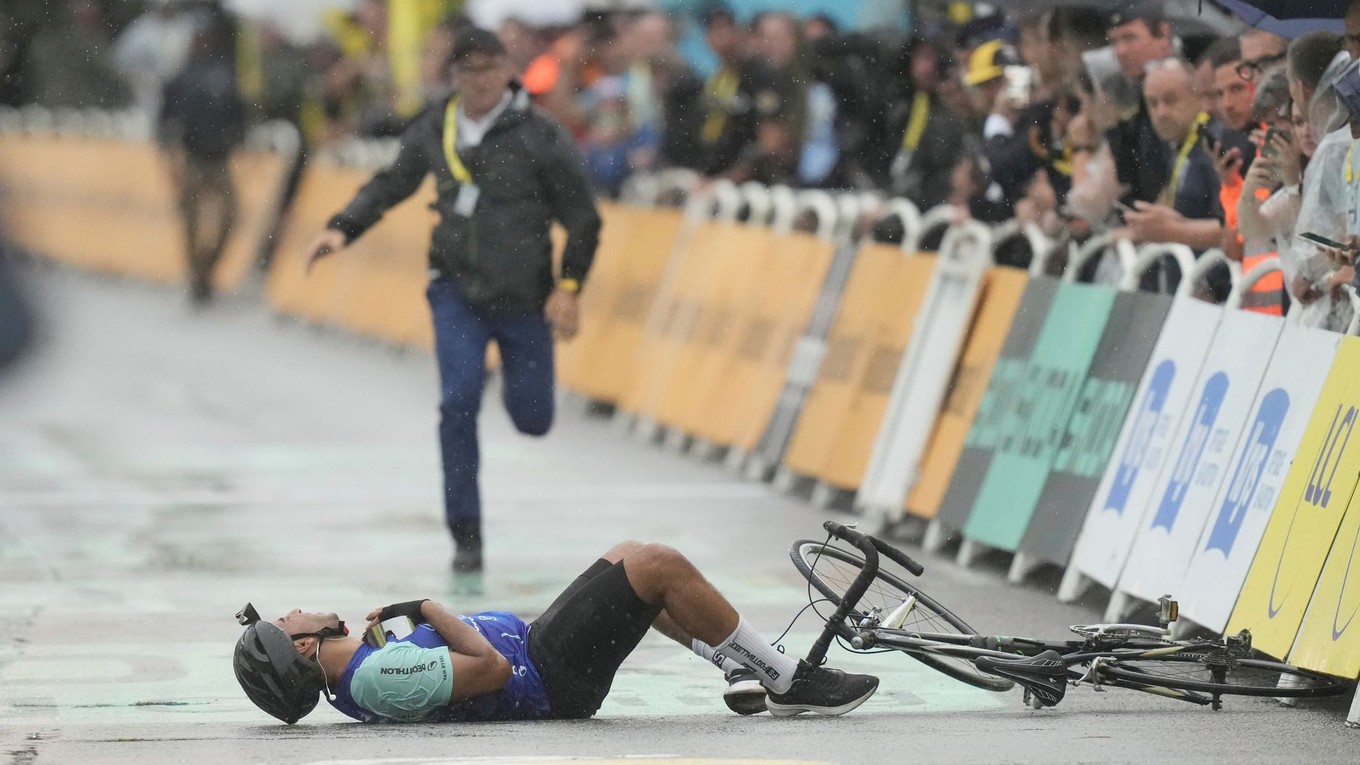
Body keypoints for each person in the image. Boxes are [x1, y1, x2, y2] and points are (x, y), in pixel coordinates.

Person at [303, 28, 602, 573]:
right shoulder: (435, 128)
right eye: (468, 70)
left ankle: (506, 375)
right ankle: (467, 534)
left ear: (509, 70)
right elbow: (392, 183)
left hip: (524, 297)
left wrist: (570, 286)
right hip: (455, 291)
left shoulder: (541, 136)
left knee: (533, 419)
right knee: (457, 402)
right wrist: (341, 229)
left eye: (489, 68)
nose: (479, 80)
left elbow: (583, 219)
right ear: (454, 75)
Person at [232, 540, 880, 724]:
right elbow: (485, 669)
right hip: (547, 674)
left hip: (539, 652)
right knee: (654, 565)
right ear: (305, 647)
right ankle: (788, 680)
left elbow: (413, 668)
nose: (292, 609)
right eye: (285, 621)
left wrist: (398, 620)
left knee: (630, 577)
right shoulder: (373, 678)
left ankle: (739, 666)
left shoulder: (362, 665)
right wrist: (429, 606)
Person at [158, 25, 244, 306]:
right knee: (191, 223)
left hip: (219, 158)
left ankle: (206, 270)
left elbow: (238, 111)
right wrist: (170, 152)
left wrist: (238, 138)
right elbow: (165, 118)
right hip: (193, 158)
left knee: (230, 217)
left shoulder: (223, 73)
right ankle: (197, 276)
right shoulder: (182, 76)